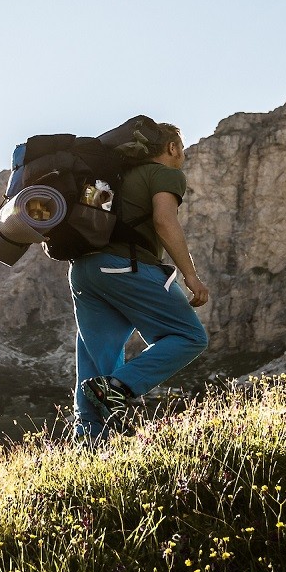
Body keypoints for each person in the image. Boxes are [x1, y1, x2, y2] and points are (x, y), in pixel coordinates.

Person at [73, 123, 210, 441]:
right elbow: (165, 220)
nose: (182, 156)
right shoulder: (165, 173)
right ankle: (119, 387)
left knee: (97, 359)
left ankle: (90, 443)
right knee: (189, 337)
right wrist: (191, 277)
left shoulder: (111, 177)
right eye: (182, 150)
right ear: (172, 148)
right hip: (126, 267)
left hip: (84, 271)